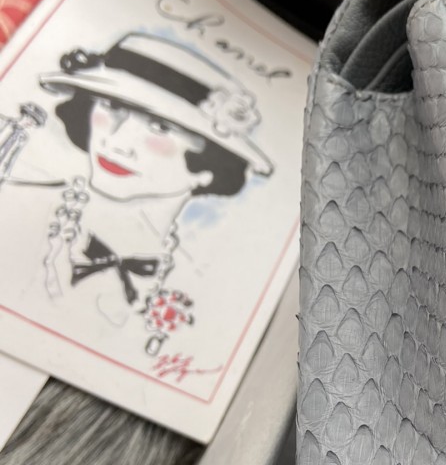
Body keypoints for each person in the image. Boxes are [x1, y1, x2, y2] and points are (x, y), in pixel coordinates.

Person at [33, 32, 273, 354]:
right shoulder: (26, 208)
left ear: (207, 167)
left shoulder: (204, 286)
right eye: (112, 106)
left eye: (160, 127)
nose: (118, 141)